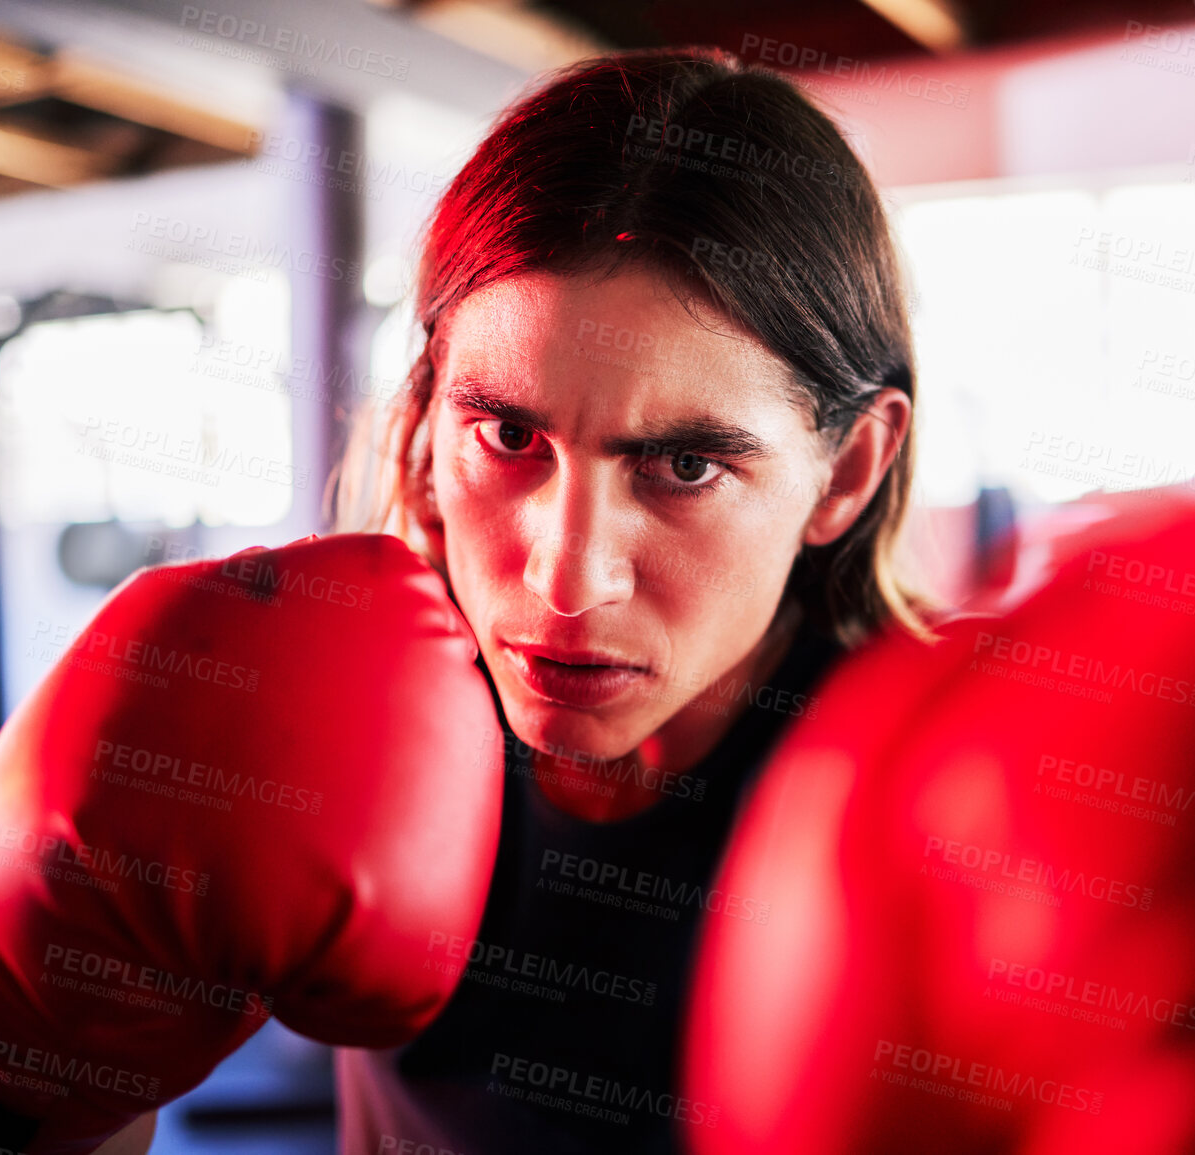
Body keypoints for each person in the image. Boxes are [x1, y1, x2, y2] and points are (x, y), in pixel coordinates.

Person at [323, 45, 937, 1155]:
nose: (565, 580)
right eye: (508, 436)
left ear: (845, 471)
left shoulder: (938, 814)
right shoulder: (352, 712)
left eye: (686, 468)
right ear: (426, 429)